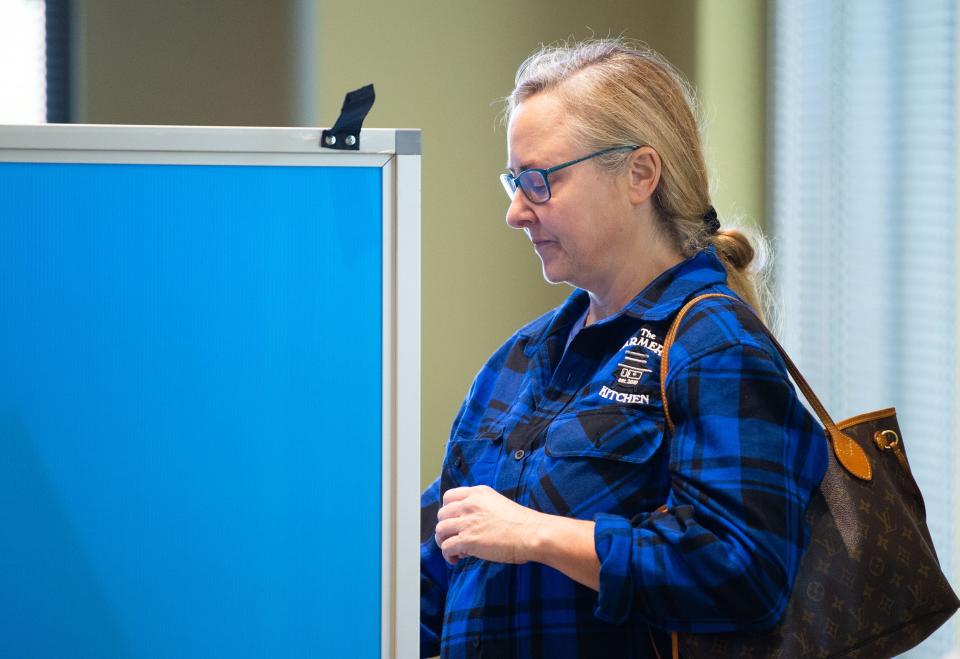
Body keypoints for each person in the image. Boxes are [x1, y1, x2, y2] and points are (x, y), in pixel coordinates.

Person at [420, 39, 828, 658]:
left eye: (539, 181)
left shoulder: (712, 344)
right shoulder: (518, 360)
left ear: (640, 174)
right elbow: (435, 569)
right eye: (513, 180)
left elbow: (743, 572)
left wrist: (540, 536)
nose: (515, 211)